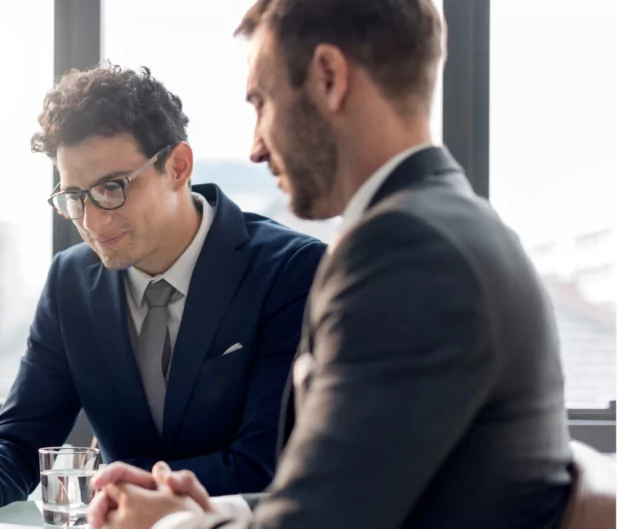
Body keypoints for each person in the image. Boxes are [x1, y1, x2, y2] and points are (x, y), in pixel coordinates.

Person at [87, 1, 574, 528]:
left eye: (261, 103)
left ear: (328, 77)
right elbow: (348, 489)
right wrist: (201, 510)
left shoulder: (406, 252)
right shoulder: (452, 227)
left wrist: (164, 526)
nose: (255, 148)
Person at [0, 65, 326, 514]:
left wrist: (136, 494)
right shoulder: (70, 281)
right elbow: (20, 439)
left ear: (177, 167)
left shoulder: (291, 271)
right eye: (75, 196)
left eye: (112, 189)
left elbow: (267, 466)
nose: (94, 223)